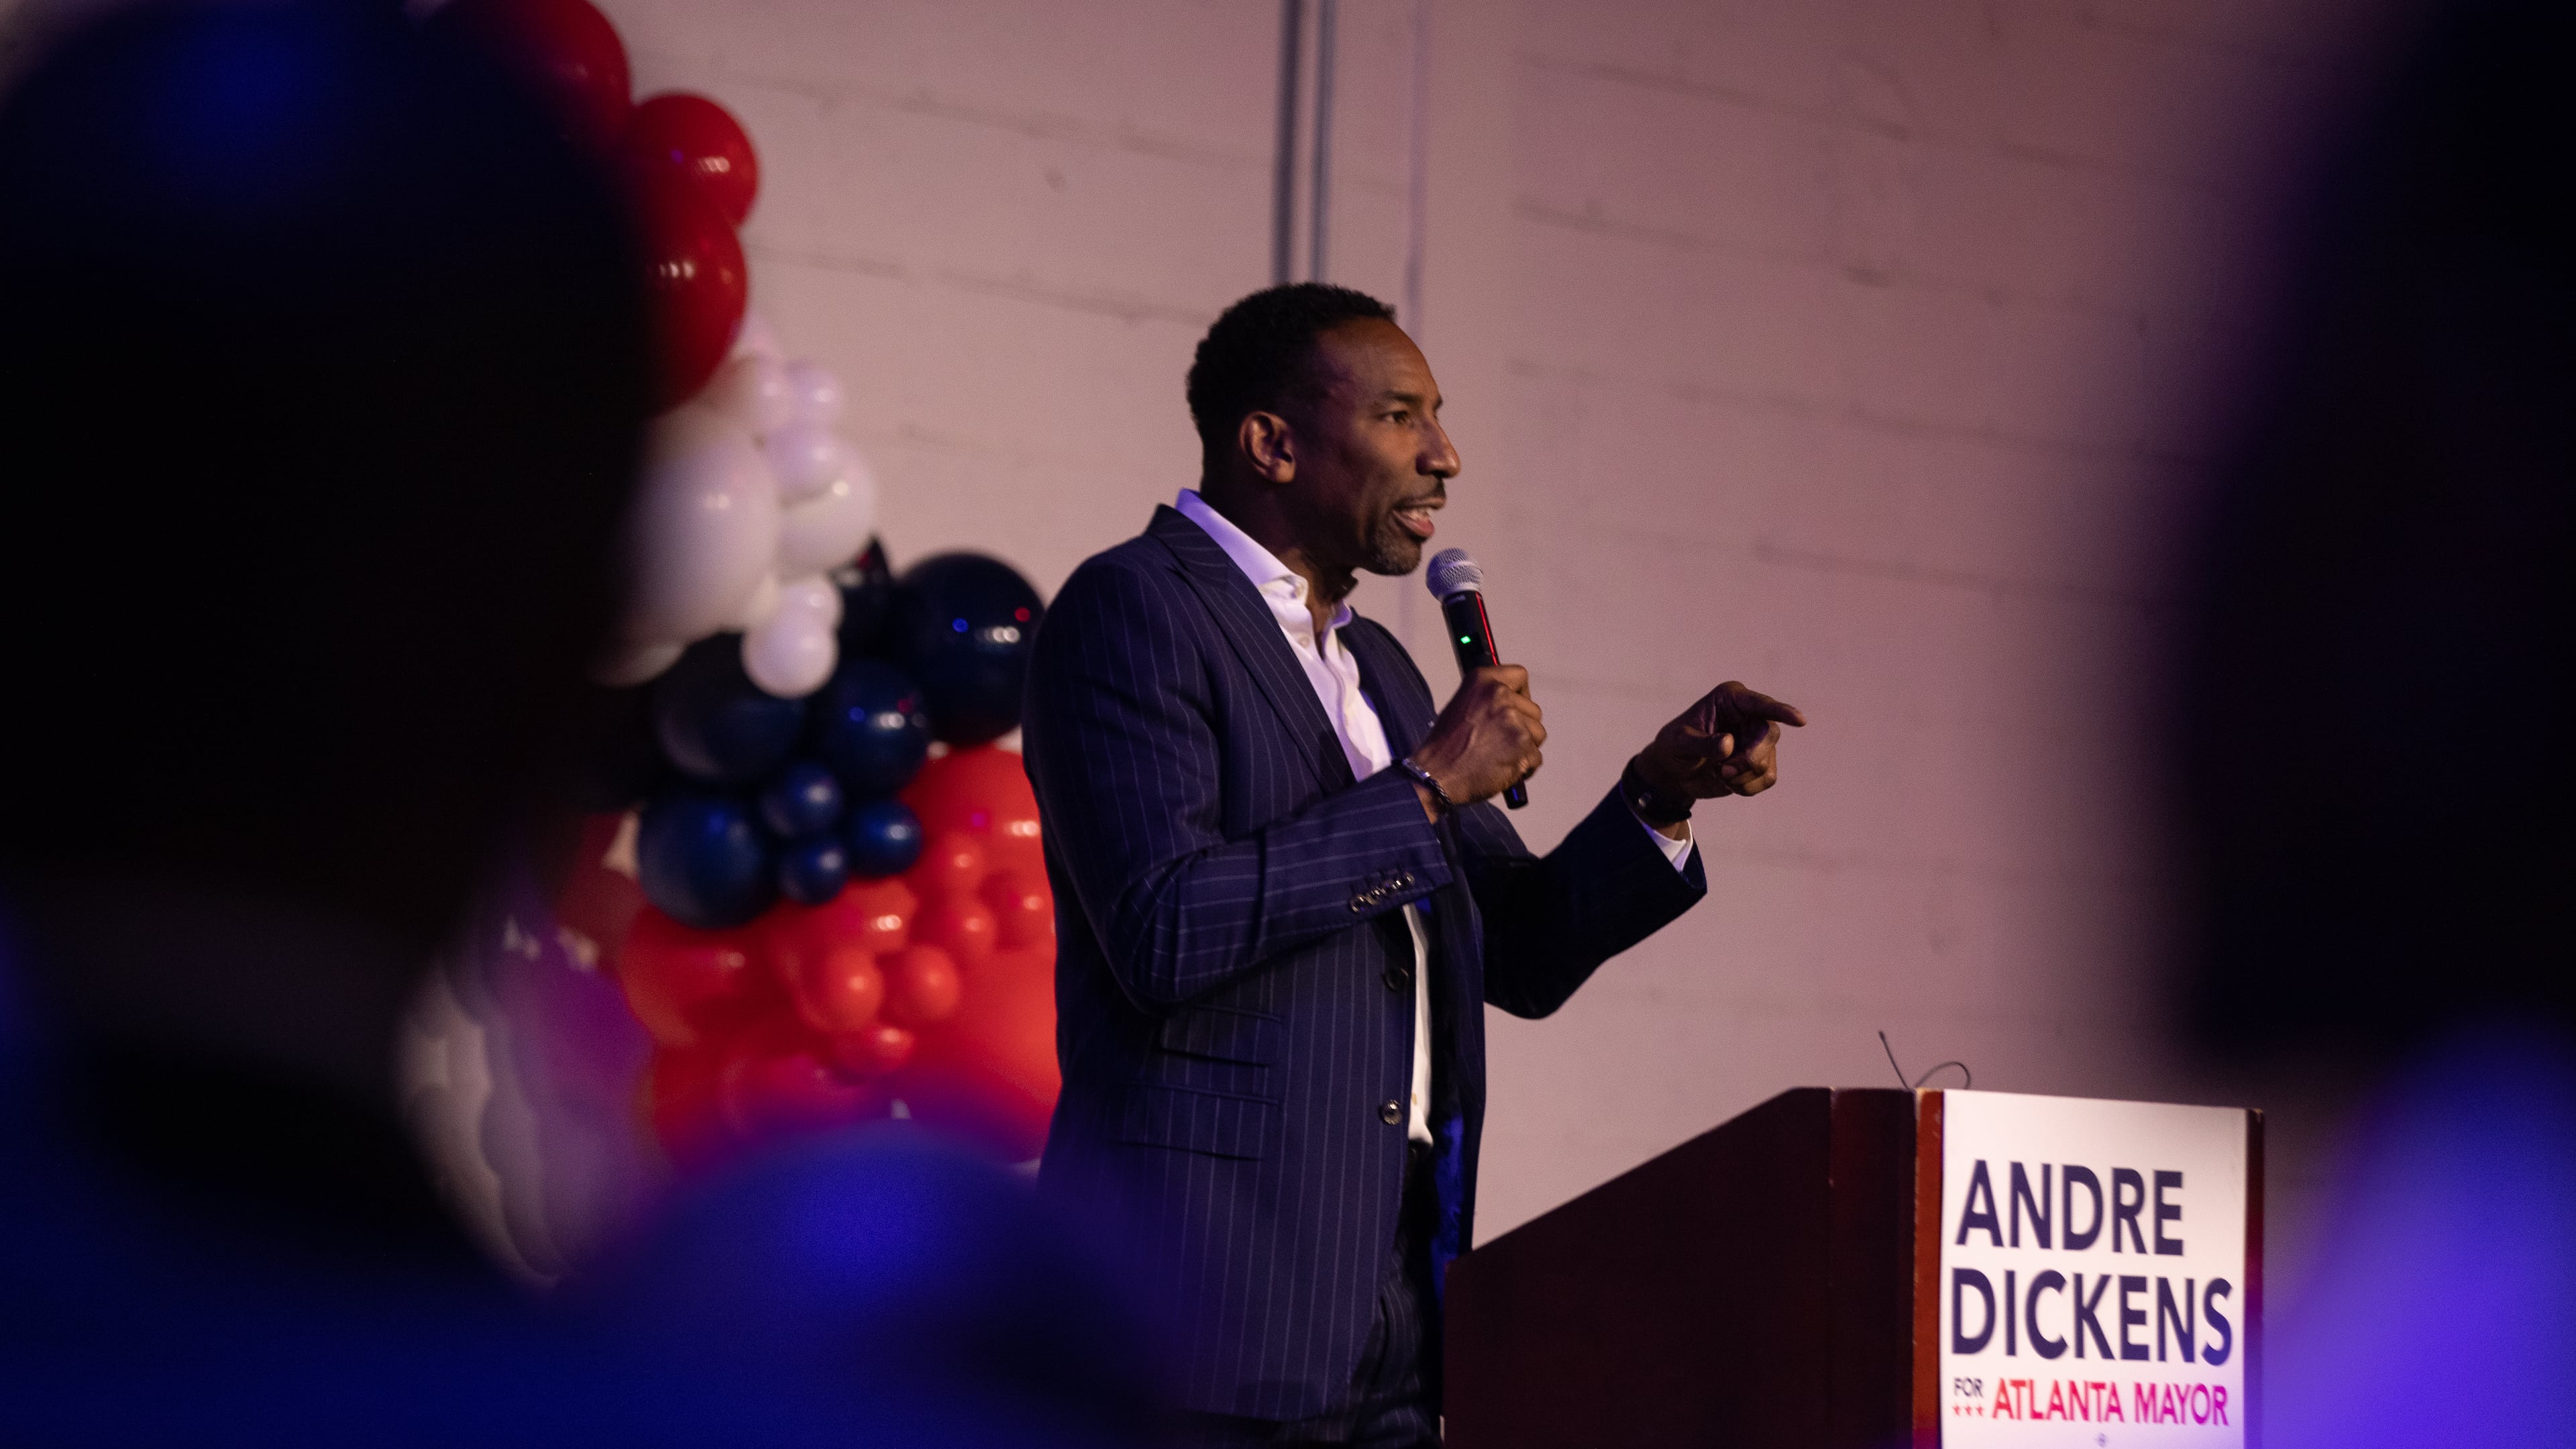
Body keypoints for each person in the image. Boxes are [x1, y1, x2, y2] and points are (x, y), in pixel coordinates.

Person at [1022, 282, 1805, 1444]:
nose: (1446, 456)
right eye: (1402, 416)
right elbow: (1161, 928)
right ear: (1272, 443)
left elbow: (1522, 951)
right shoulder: (1133, 610)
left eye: (1437, 418)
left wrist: (1658, 795)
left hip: (1396, 1304)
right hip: (1195, 1319)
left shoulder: (1379, 668)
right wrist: (1431, 783)